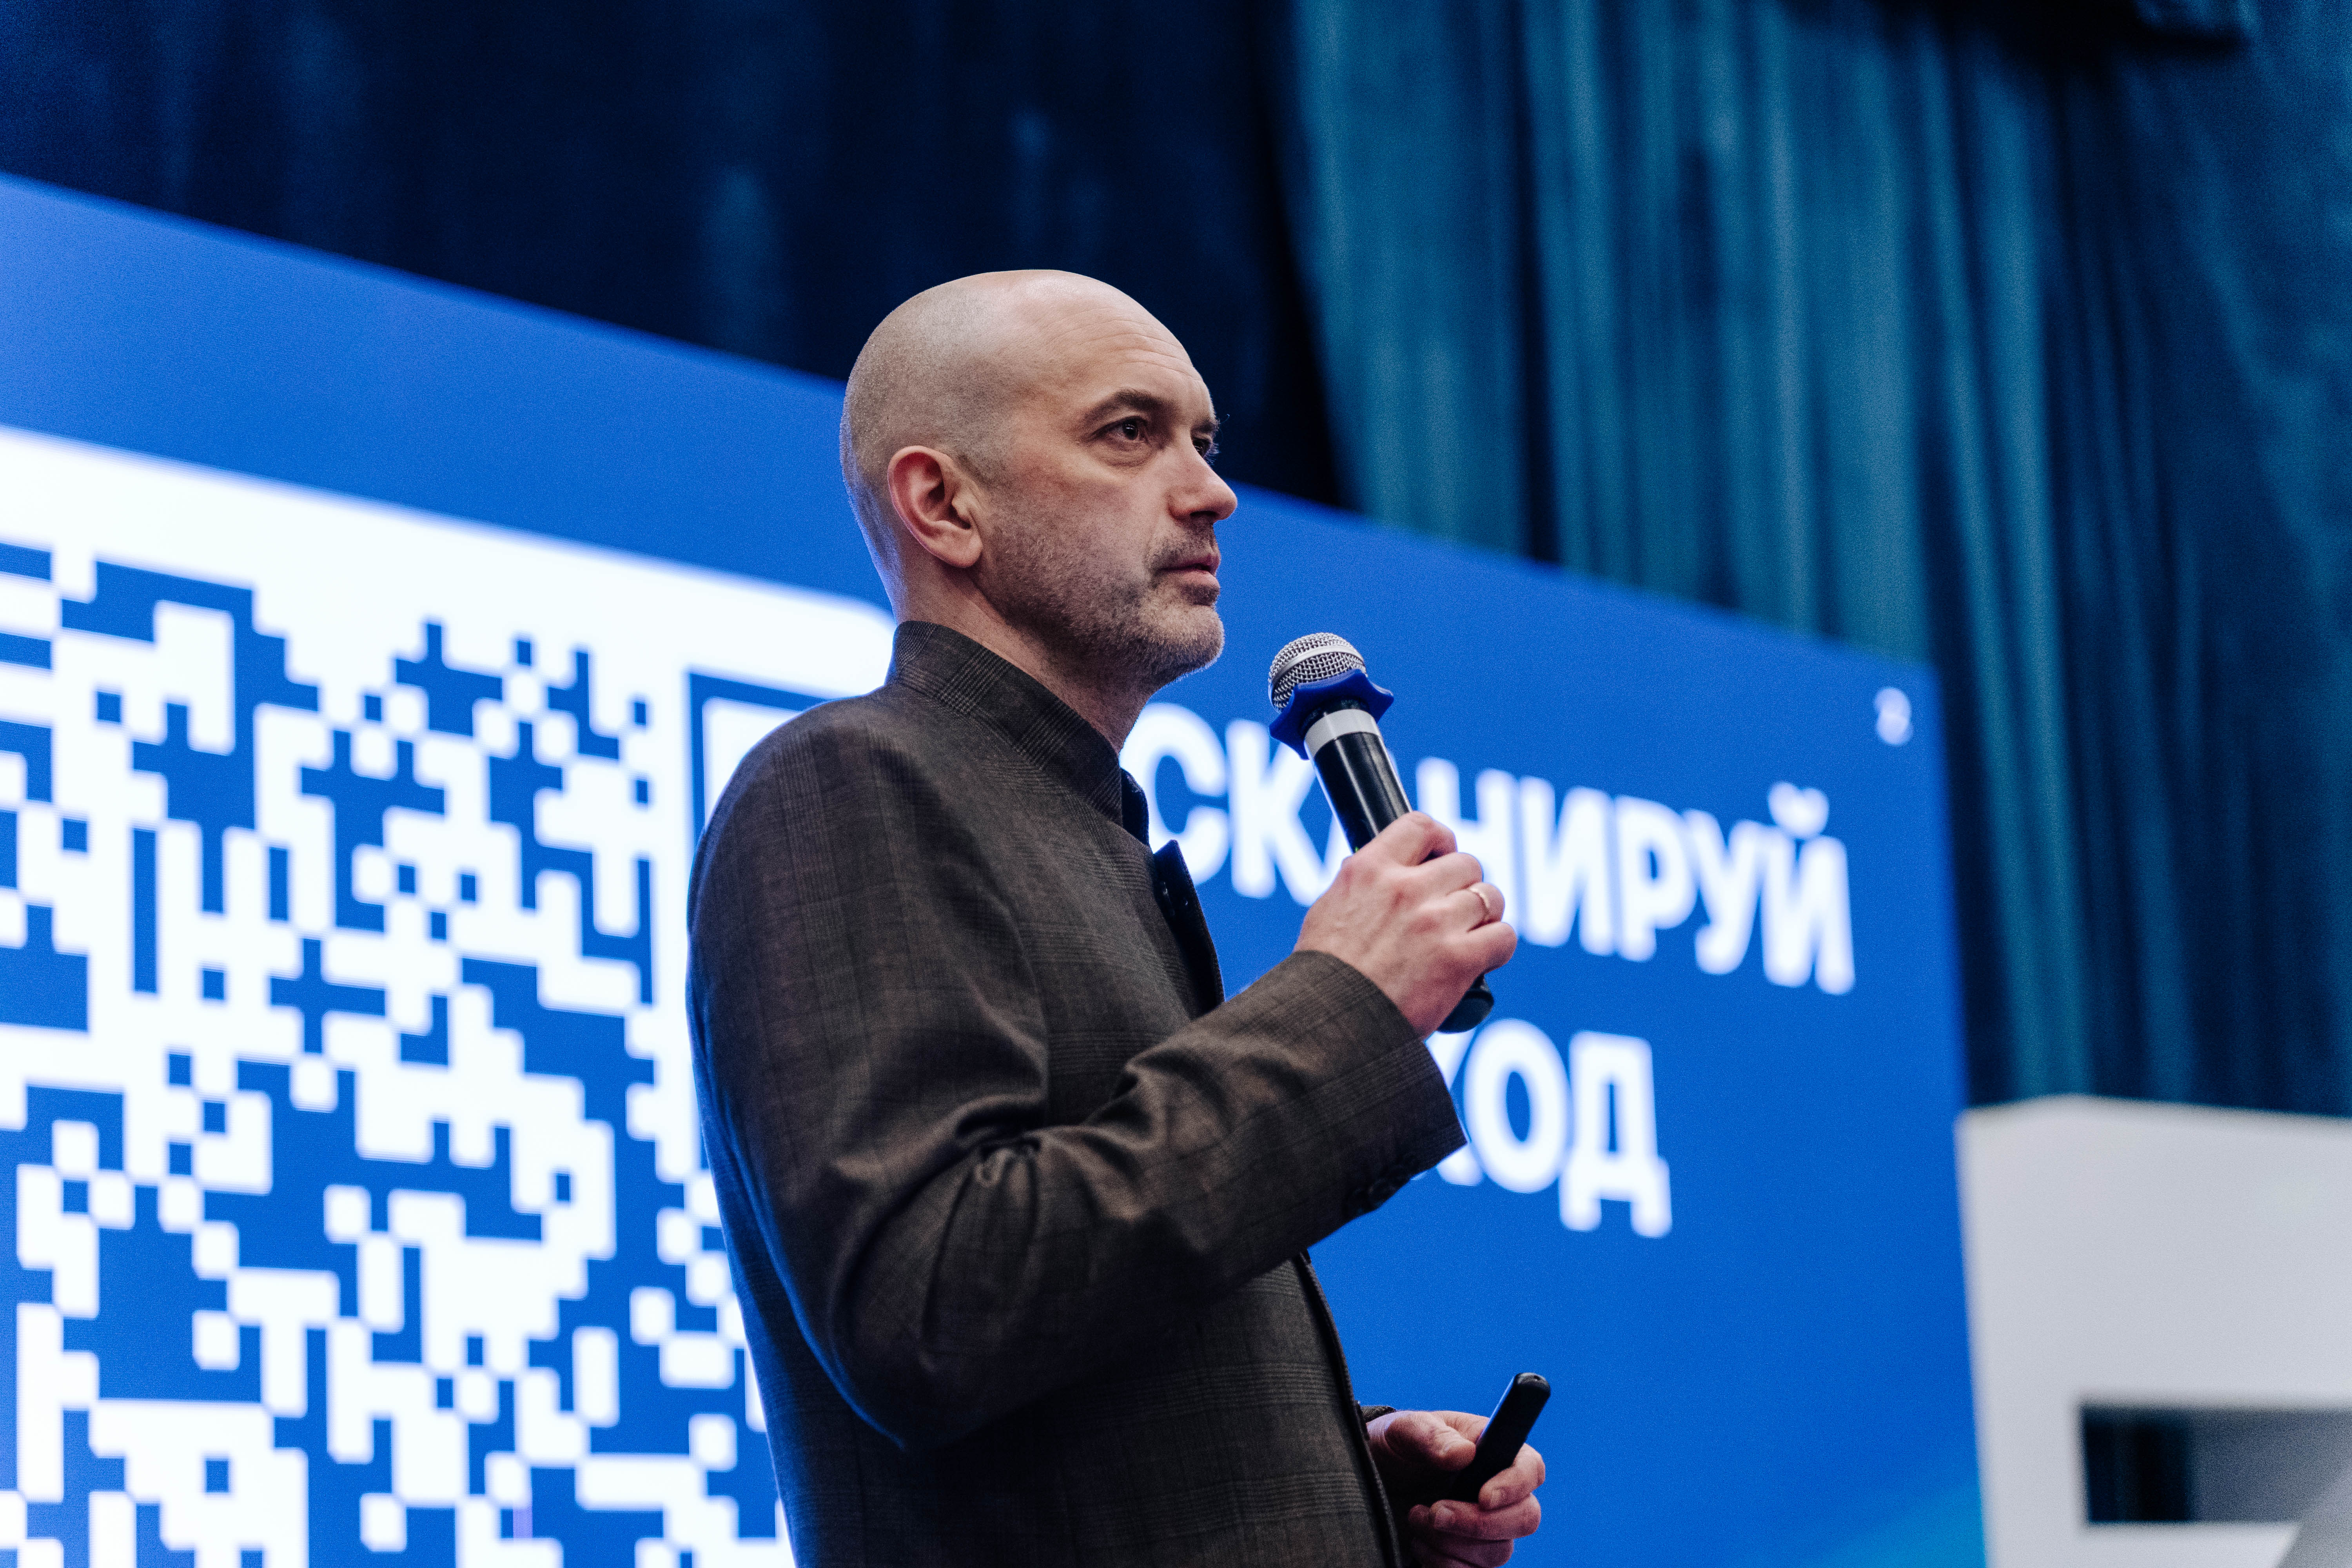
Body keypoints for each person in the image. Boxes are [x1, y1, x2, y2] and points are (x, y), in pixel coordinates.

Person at [687, 269, 1543, 1566]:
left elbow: (1085, 1354)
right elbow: (929, 1311)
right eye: (1130, 433)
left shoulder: (1089, 832)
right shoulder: (849, 784)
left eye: (1207, 441)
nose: (1212, 493)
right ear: (944, 505)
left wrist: (1347, 1487)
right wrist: (1340, 1007)